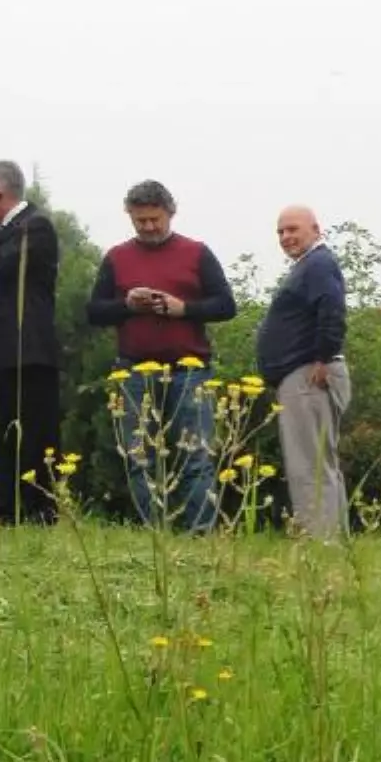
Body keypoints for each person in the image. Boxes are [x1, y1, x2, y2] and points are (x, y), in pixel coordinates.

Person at [87, 180, 237, 532]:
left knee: (195, 454)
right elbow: (94, 312)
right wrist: (127, 305)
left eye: (155, 219)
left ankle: (199, 533)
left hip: (189, 370)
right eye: (141, 221)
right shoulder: (116, 257)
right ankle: (154, 532)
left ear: (170, 213)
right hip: (133, 370)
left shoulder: (197, 253)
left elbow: (226, 305)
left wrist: (183, 309)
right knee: (138, 457)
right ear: (130, 217)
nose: (149, 227)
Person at [0, 161, 62, 525]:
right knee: (3, 440)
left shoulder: (35, 227)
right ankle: (4, 516)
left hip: (27, 353)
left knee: (34, 438)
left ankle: (39, 513)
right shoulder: (0, 234)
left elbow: (5, 268)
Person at [256, 206, 351, 540]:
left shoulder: (319, 264)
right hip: (303, 373)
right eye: (280, 232)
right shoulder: (310, 266)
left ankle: (321, 544)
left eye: (293, 229)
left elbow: (332, 307)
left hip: (309, 373)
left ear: (316, 229)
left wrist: (323, 357)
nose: (286, 237)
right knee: (322, 462)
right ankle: (334, 541)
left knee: (308, 466)